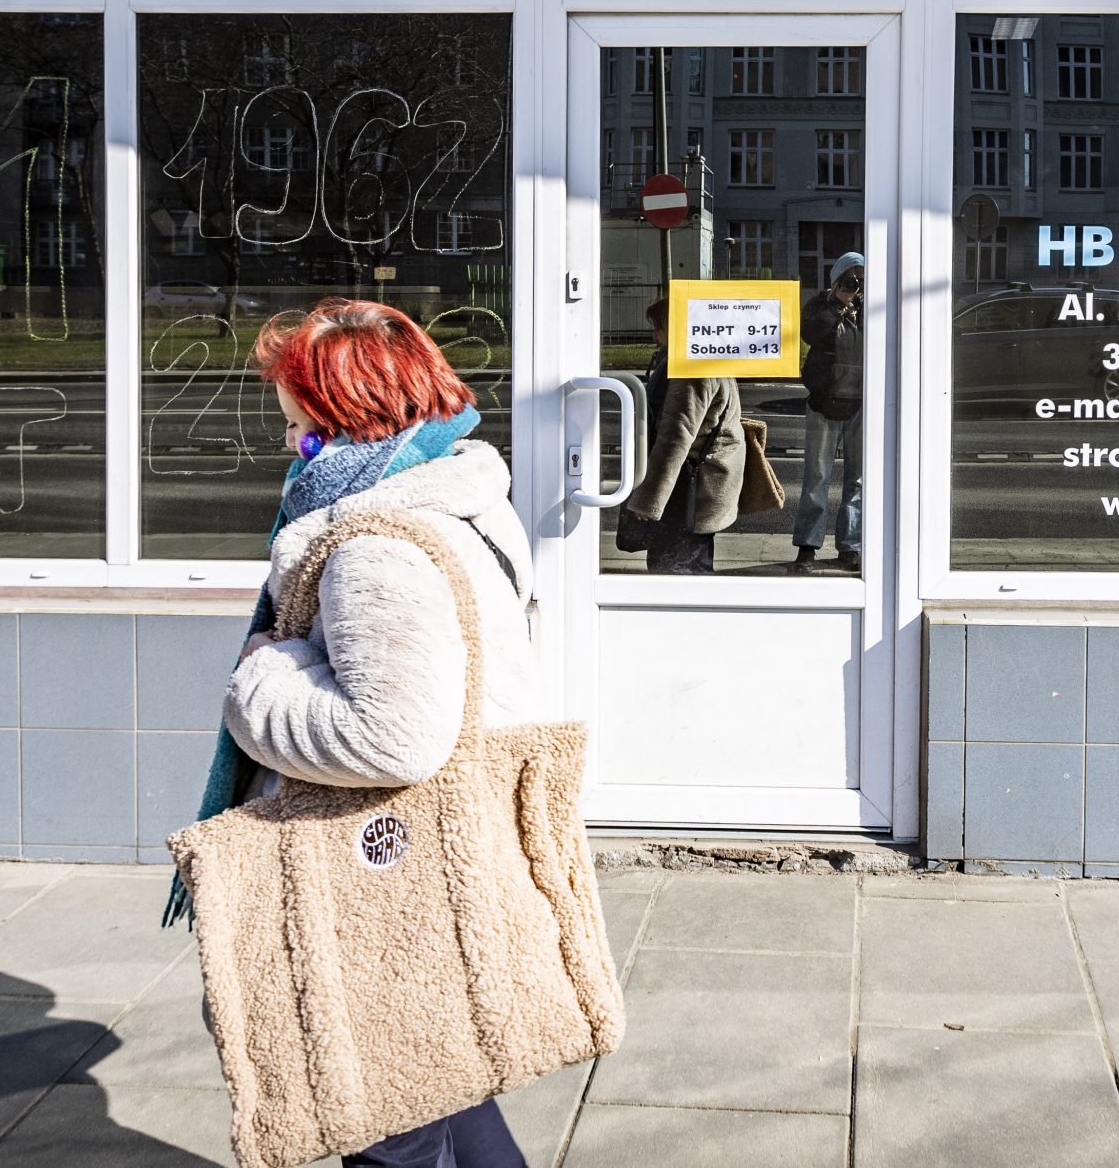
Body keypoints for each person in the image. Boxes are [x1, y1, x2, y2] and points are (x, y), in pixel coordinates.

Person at [184, 297, 539, 1168]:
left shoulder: (376, 546)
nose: (289, 445)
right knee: (445, 1086)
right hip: (446, 851)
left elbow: (392, 738)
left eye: (302, 430)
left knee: (380, 1115)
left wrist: (261, 679)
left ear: (352, 421)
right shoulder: (463, 496)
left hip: (380, 874)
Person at [621, 296, 744, 574]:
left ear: (675, 326)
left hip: (688, 495)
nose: (655, 335)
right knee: (695, 572)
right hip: (700, 491)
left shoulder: (692, 369)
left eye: (658, 327)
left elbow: (676, 437)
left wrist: (649, 500)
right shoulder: (709, 356)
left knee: (672, 574)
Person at [792, 252, 864, 572]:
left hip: (861, 404)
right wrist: (839, 305)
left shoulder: (871, 309)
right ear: (836, 280)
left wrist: (861, 305)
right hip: (824, 402)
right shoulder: (820, 306)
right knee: (817, 477)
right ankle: (807, 546)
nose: (856, 287)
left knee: (857, 480)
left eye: (862, 282)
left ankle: (851, 546)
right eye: (851, 280)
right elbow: (812, 334)